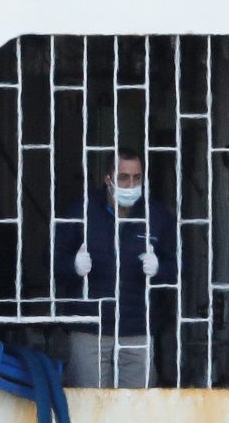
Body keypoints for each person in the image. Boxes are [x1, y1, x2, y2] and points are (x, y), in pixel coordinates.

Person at [54, 148, 177, 388]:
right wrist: (73, 266)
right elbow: (50, 262)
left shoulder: (157, 216)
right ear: (108, 178)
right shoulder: (81, 212)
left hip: (138, 329)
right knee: (89, 408)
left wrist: (159, 269)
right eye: (123, 177)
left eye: (137, 178)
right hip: (89, 329)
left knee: (136, 411)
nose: (131, 184)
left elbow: (179, 270)